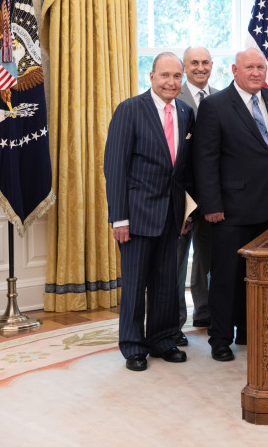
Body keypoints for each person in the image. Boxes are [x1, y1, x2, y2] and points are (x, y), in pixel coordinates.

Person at [193, 47, 268, 363]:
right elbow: (205, 160)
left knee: (261, 276)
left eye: (260, 67)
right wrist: (211, 204)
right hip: (230, 209)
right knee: (225, 276)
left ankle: (249, 330)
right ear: (234, 70)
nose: (256, 73)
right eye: (249, 67)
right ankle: (220, 338)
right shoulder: (215, 106)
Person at [104, 52, 194, 371]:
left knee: (165, 283)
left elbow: (185, 172)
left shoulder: (185, 112)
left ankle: (162, 339)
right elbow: (115, 167)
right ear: (151, 76)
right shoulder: (130, 110)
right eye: (165, 75)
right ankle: (133, 346)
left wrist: (186, 214)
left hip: (172, 217)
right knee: (135, 285)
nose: (171, 82)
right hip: (137, 216)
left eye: (176, 76)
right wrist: (119, 218)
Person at [176, 46, 219, 334]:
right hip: (182, 193)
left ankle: (204, 312)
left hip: (212, 194)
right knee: (177, 262)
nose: (200, 67)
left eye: (205, 62)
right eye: (194, 63)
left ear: (212, 65)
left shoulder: (220, 98)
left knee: (208, 258)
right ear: (184, 66)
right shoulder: (172, 96)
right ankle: (174, 322)